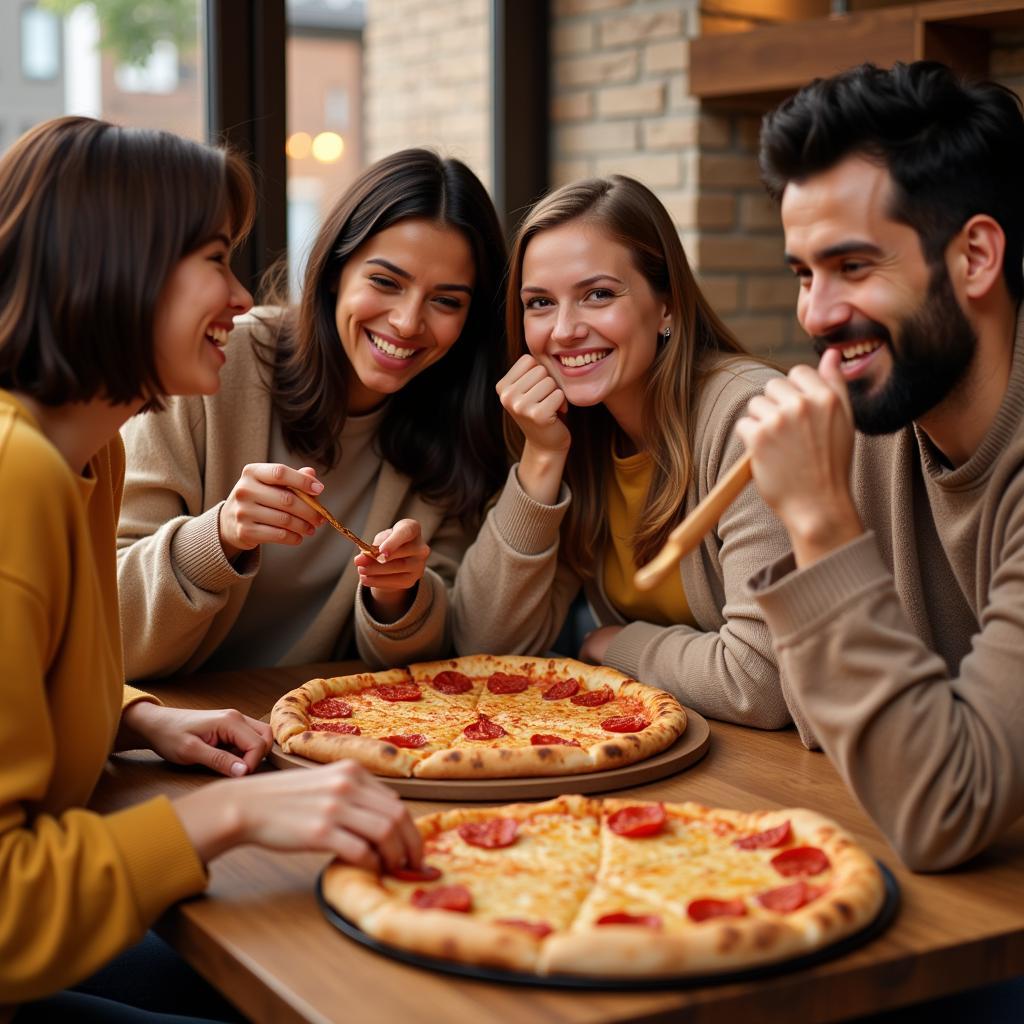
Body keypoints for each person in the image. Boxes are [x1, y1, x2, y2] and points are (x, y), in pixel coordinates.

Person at [0, 116, 420, 1020]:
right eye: (216, 258)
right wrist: (233, 816)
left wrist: (140, 718)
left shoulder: (86, 456)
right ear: (115, 264)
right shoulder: (14, 475)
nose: (240, 294)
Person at [735, 61, 1024, 870]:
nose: (816, 315)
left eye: (853, 267)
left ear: (974, 257)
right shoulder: (876, 414)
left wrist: (821, 522)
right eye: (803, 273)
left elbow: (944, 808)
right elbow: (814, 717)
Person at [117, 149, 507, 679]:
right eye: (386, 282)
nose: (408, 322)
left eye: (446, 301)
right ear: (334, 272)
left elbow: (427, 657)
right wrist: (221, 536)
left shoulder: (461, 420)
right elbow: (105, 618)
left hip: (330, 722)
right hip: (167, 720)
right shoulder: (216, 362)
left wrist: (399, 594)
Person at [452, 175, 793, 727]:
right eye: (540, 303)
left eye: (598, 295)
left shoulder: (746, 419)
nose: (564, 330)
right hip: (664, 738)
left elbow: (761, 681)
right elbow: (482, 646)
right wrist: (540, 459)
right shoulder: (582, 433)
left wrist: (616, 644)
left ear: (666, 306)